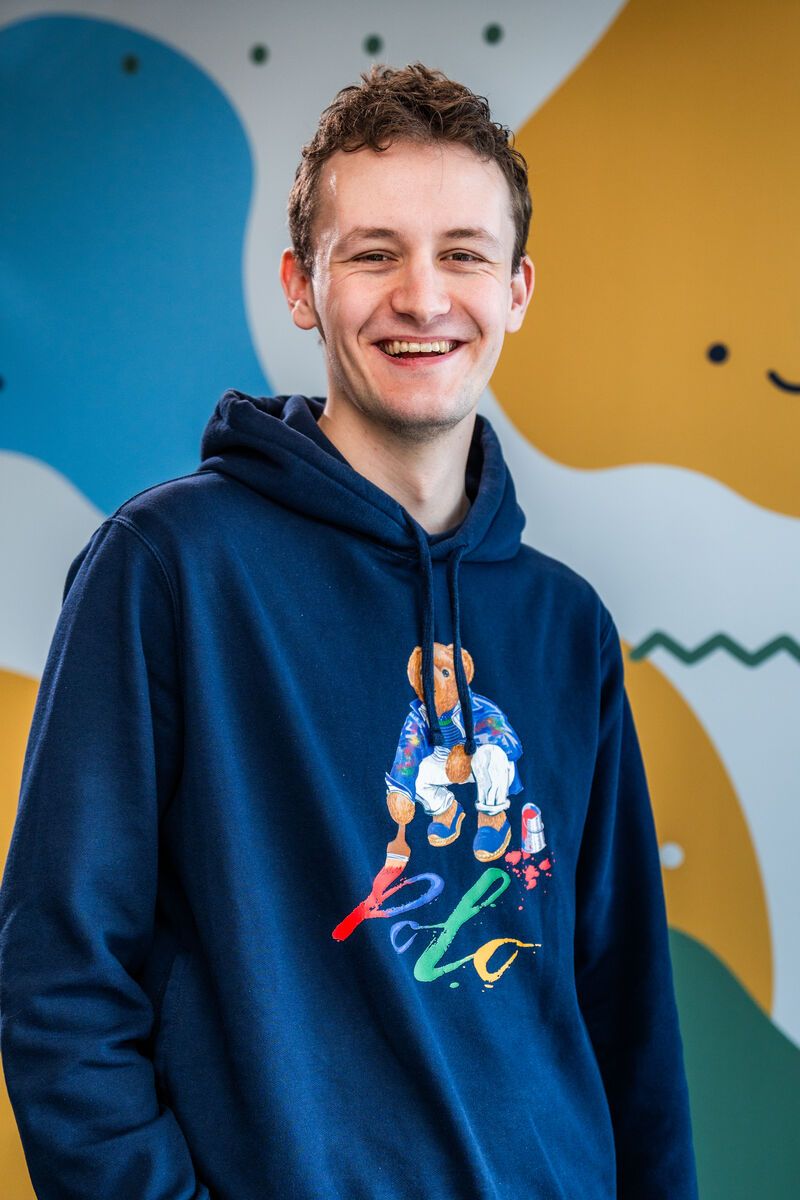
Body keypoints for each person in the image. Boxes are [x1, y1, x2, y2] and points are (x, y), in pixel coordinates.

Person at [0, 63, 698, 1200]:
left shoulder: (566, 625)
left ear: (517, 289)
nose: (422, 298)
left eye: (463, 254)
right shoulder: (170, 568)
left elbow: (628, 1014)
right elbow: (59, 973)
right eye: (373, 253)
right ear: (301, 285)